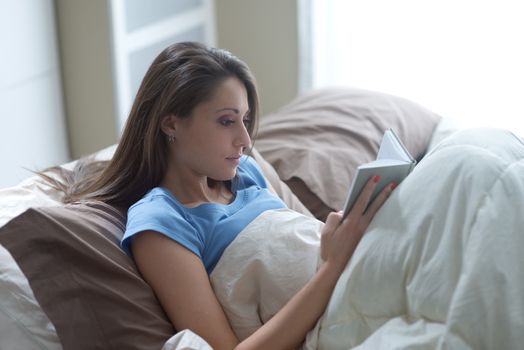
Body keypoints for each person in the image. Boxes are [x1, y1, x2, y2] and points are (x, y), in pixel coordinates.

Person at [49, 41, 395, 349]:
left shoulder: (246, 171)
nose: (245, 140)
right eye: (227, 121)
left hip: (365, 272)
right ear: (171, 124)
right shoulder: (160, 223)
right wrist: (333, 268)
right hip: (344, 309)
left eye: (245, 120)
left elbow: (310, 239)